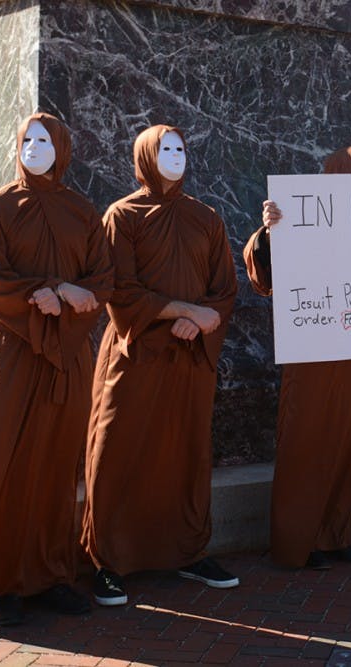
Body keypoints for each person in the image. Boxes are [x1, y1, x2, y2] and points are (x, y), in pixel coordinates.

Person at [0, 113, 113, 625]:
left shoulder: (83, 212)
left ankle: (49, 575)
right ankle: (1, 585)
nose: (35, 147)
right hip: (14, 352)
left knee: (55, 461)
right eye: (27, 139)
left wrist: (63, 293)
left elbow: (102, 280)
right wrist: (39, 296)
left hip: (67, 353)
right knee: (3, 460)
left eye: (45, 140)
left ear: (63, 149)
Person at [82, 124, 238, 606]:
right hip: (135, 357)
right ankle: (104, 561)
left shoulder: (206, 217)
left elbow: (224, 289)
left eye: (181, 148)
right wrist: (186, 311)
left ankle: (188, 551)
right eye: (164, 149)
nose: (174, 156)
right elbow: (120, 291)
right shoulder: (122, 216)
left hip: (189, 360)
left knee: (186, 452)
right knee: (117, 450)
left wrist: (203, 321)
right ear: (146, 156)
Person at [246, 147, 351, 570]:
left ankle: (335, 535)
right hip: (317, 358)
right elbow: (265, 278)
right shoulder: (302, 219)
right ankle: (296, 541)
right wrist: (270, 233)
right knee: (308, 443)